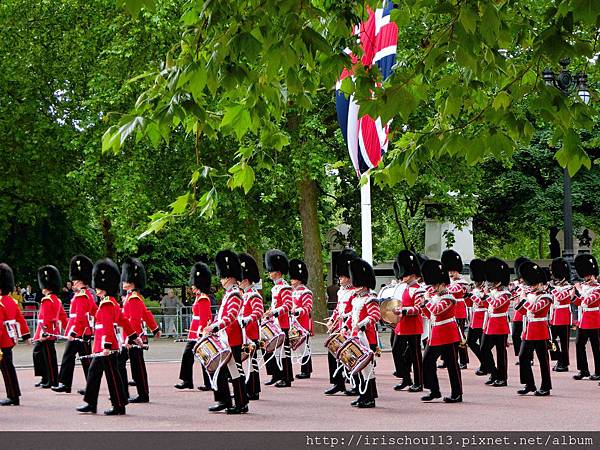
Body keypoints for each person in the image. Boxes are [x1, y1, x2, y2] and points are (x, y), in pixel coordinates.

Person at [77, 258, 141, 415]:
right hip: (102, 346)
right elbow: (123, 321)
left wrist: (106, 347)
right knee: (94, 374)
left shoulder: (106, 304)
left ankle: (119, 405)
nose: (96, 290)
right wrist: (134, 336)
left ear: (105, 287)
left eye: (98, 288)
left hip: (107, 347)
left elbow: (106, 327)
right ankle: (91, 403)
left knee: (112, 377)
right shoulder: (111, 302)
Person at [205, 250, 248, 414]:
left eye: (222, 276)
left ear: (229, 276)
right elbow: (222, 315)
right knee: (219, 369)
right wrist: (213, 324)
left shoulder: (236, 294)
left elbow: (231, 316)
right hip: (224, 337)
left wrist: (216, 327)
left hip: (233, 338)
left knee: (235, 371)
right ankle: (224, 399)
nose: (220, 279)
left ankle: (241, 403)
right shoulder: (229, 294)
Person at [118, 257, 161, 404]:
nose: (123, 282)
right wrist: (155, 329)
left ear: (131, 282)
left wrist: (130, 338)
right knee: (131, 366)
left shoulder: (134, 298)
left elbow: (135, 320)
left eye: (125, 280)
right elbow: (146, 314)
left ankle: (142, 394)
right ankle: (128, 393)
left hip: (134, 338)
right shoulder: (132, 297)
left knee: (137, 368)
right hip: (131, 337)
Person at [419, 259, 463, 403]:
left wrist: (427, 301)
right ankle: (434, 390)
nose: (432, 287)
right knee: (427, 362)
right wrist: (423, 305)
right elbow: (429, 314)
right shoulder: (436, 296)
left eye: (435, 284)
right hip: (436, 333)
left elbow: (437, 311)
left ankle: (457, 393)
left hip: (448, 334)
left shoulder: (449, 298)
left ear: (442, 284)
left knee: (452, 365)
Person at [52, 255, 97, 394]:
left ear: (80, 281)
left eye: (75, 281)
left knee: (78, 358)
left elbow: (80, 318)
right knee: (84, 359)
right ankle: (67, 383)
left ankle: (67, 384)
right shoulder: (81, 295)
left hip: (80, 333)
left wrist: (73, 332)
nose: (73, 283)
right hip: (80, 332)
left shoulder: (83, 295)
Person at [344, 258, 380, 408]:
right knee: (357, 368)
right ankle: (362, 395)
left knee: (367, 370)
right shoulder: (356, 299)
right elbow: (352, 317)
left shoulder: (370, 299)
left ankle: (369, 397)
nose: (355, 286)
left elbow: (375, 316)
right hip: (355, 337)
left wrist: (363, 324)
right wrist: (345, 327)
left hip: (367, 337)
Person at [514, 261, 552, 396]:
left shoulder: (546, 297)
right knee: (523, 356)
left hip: (540, 330)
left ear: (542, 284)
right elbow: (525, 312)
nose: (532, 287)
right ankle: (529, 384)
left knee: (543, 360)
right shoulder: (531, 295)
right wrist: (518, 302)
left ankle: (546, 386)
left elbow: (535, 309)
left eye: (535, 284)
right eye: (531, 284)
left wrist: (524, 299)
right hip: (529, 329)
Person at [175, 262, 213, 391]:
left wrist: (201, 331)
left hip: (199, 332)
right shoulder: (198, 297)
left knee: (199, 356)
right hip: (194, 331)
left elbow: (205, 317)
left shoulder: (203, 298)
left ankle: (204, 382)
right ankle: (189, 380)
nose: (192, 286)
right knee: (192, 355)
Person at [324, 249, 356, 396]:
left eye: (342, 277)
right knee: (332, 351)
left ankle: (355, 383)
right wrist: (332, 320)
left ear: (349, 277)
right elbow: (338, 309)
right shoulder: (341, 291)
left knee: (350, 356)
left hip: (350, 328)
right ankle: (338, 382)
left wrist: (343, 319)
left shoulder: (355, 292)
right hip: (339, 326)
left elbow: (354, 312)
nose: (340, 279)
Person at [392, 250, 425, 393]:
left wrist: (403, 310)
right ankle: (406, 378)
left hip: (413, 325)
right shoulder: (405, 288)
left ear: (412, 274)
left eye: (404, 273)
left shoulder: (418, 290)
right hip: (402, 324)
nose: (402, 276)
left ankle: (419, 382)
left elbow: (418, 308)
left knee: (415, 354)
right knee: (396, 350)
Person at [0, 263, 31, 406]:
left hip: (2, 341)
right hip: (10, 340)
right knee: (8, 368)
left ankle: (13, 396)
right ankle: (14, 395)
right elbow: (20, 319)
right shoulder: (11, 301)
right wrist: (26, 336)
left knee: (7, 369)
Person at [32, 265, 67, 388]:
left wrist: (44, 333)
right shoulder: (56, 300)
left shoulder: (48, 300)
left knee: (48, 357)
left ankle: (52, 379)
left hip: (46, 333)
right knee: (40, 355)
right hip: (46, 331)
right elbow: (63, 317)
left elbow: (45, 319)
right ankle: (45, 377)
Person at [263, 249, 294, 387]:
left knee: (283, 351)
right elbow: (276, 304)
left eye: (272, 270)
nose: (270, 273)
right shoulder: (275, 288)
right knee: (274, 351)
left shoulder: (285, 287)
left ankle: (287, 378)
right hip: (275, 322)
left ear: (278, 271)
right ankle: (277, 374)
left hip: (283, 323)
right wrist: (269, 311)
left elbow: (288, 305)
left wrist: (274, 312)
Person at [480, 257, 511, 387]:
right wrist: (484, 296)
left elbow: (497, 305)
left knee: (500, 353)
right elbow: (484, 305)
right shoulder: (492, 291)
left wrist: (488, 296)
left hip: (500, 324)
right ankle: (494, 372)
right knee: (483, 349)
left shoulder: (505, 293)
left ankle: (502, 377)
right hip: (490, 323)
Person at [238, 253, 264, 399]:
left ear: (246, 280)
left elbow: (258, 312)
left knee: (252, 363)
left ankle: (254, 390)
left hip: (251, 332)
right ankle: (249, 388)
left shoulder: (254, 295)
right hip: (244, 333)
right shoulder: (244, 294)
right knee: (246, 362)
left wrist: (247, 320)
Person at [572, 254, 600, 381]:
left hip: (594, 319)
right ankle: (583, 370)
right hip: (583, 320)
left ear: (594, 275)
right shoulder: (584, 286)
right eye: (585, 276)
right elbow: (579, 303)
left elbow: (588, 301)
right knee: (579, 344)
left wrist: (580, 290)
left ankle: (599, 371)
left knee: (596, 347)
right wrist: (573, 295)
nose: (586, 278)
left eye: (589, 275)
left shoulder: (598, 289)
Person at [441, 250, 469, 369]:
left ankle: (463, 360)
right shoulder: (448, 283)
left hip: (459, 311)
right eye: (449, 271)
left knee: (459, 336)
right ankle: (447, 359)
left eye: (453, 271)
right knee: (447, 336)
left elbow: (454, 291)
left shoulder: (462, 283)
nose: (451, 273)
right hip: (448, 311)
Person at [289, 258, 313, 379]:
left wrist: (297, 311)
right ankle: (305, 368)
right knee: (297, 347)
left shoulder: (306, 292)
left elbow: (307, 308)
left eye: (293, 278)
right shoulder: (291, 291)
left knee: (304, 347)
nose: (291, 280)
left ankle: (306, 370)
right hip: (292, 322)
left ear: (298, 278)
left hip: (302, 323)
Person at [549, 257, 573, 372]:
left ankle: (564, 364)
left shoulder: (569, 287)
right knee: (550, 339)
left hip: (564, 318)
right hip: (554, 317)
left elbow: (560, 297)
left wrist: (551, 289)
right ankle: (559, 358)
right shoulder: (555, 286)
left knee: (564, 343)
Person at [465, 258, 488, 376]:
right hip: (475, 318)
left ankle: (485, 365)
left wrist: (471, 296)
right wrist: (466, 296)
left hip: (483, 318)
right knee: (471, 342)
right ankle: (485, 363)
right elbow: (469, 304)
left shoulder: (486, 288)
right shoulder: (475, 288)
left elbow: (482, 303)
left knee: (482, 345)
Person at [510, 256, 530, 365]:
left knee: (526, 336)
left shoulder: (530, 285)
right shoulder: (517, 285)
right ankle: (519, 355)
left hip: (527, 313)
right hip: (518, 313)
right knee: (515, 335)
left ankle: (529, 357)